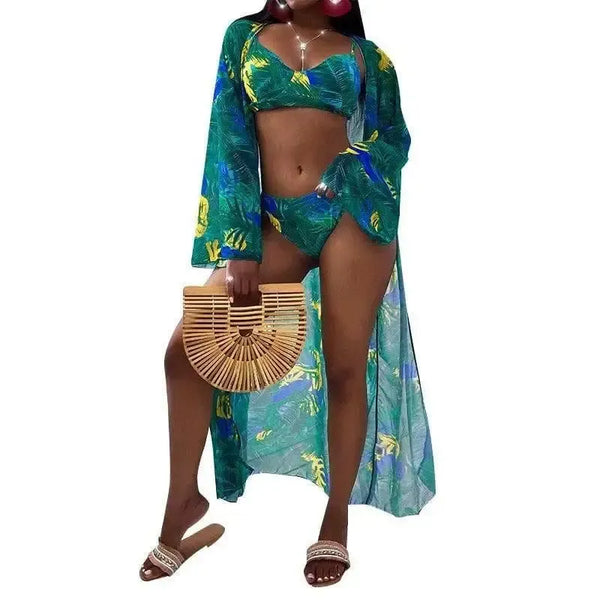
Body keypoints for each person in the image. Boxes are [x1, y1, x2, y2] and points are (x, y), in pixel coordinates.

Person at [140, 0, 435, 587]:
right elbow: (228, 140)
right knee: (186, 351)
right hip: (277, 223)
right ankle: (182, 503)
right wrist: (238, 243)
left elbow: (394, 140)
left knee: (345, 367)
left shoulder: (368, 58)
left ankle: (334, 522)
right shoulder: (244, 39)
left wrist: (352, 168)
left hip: (351, 217)